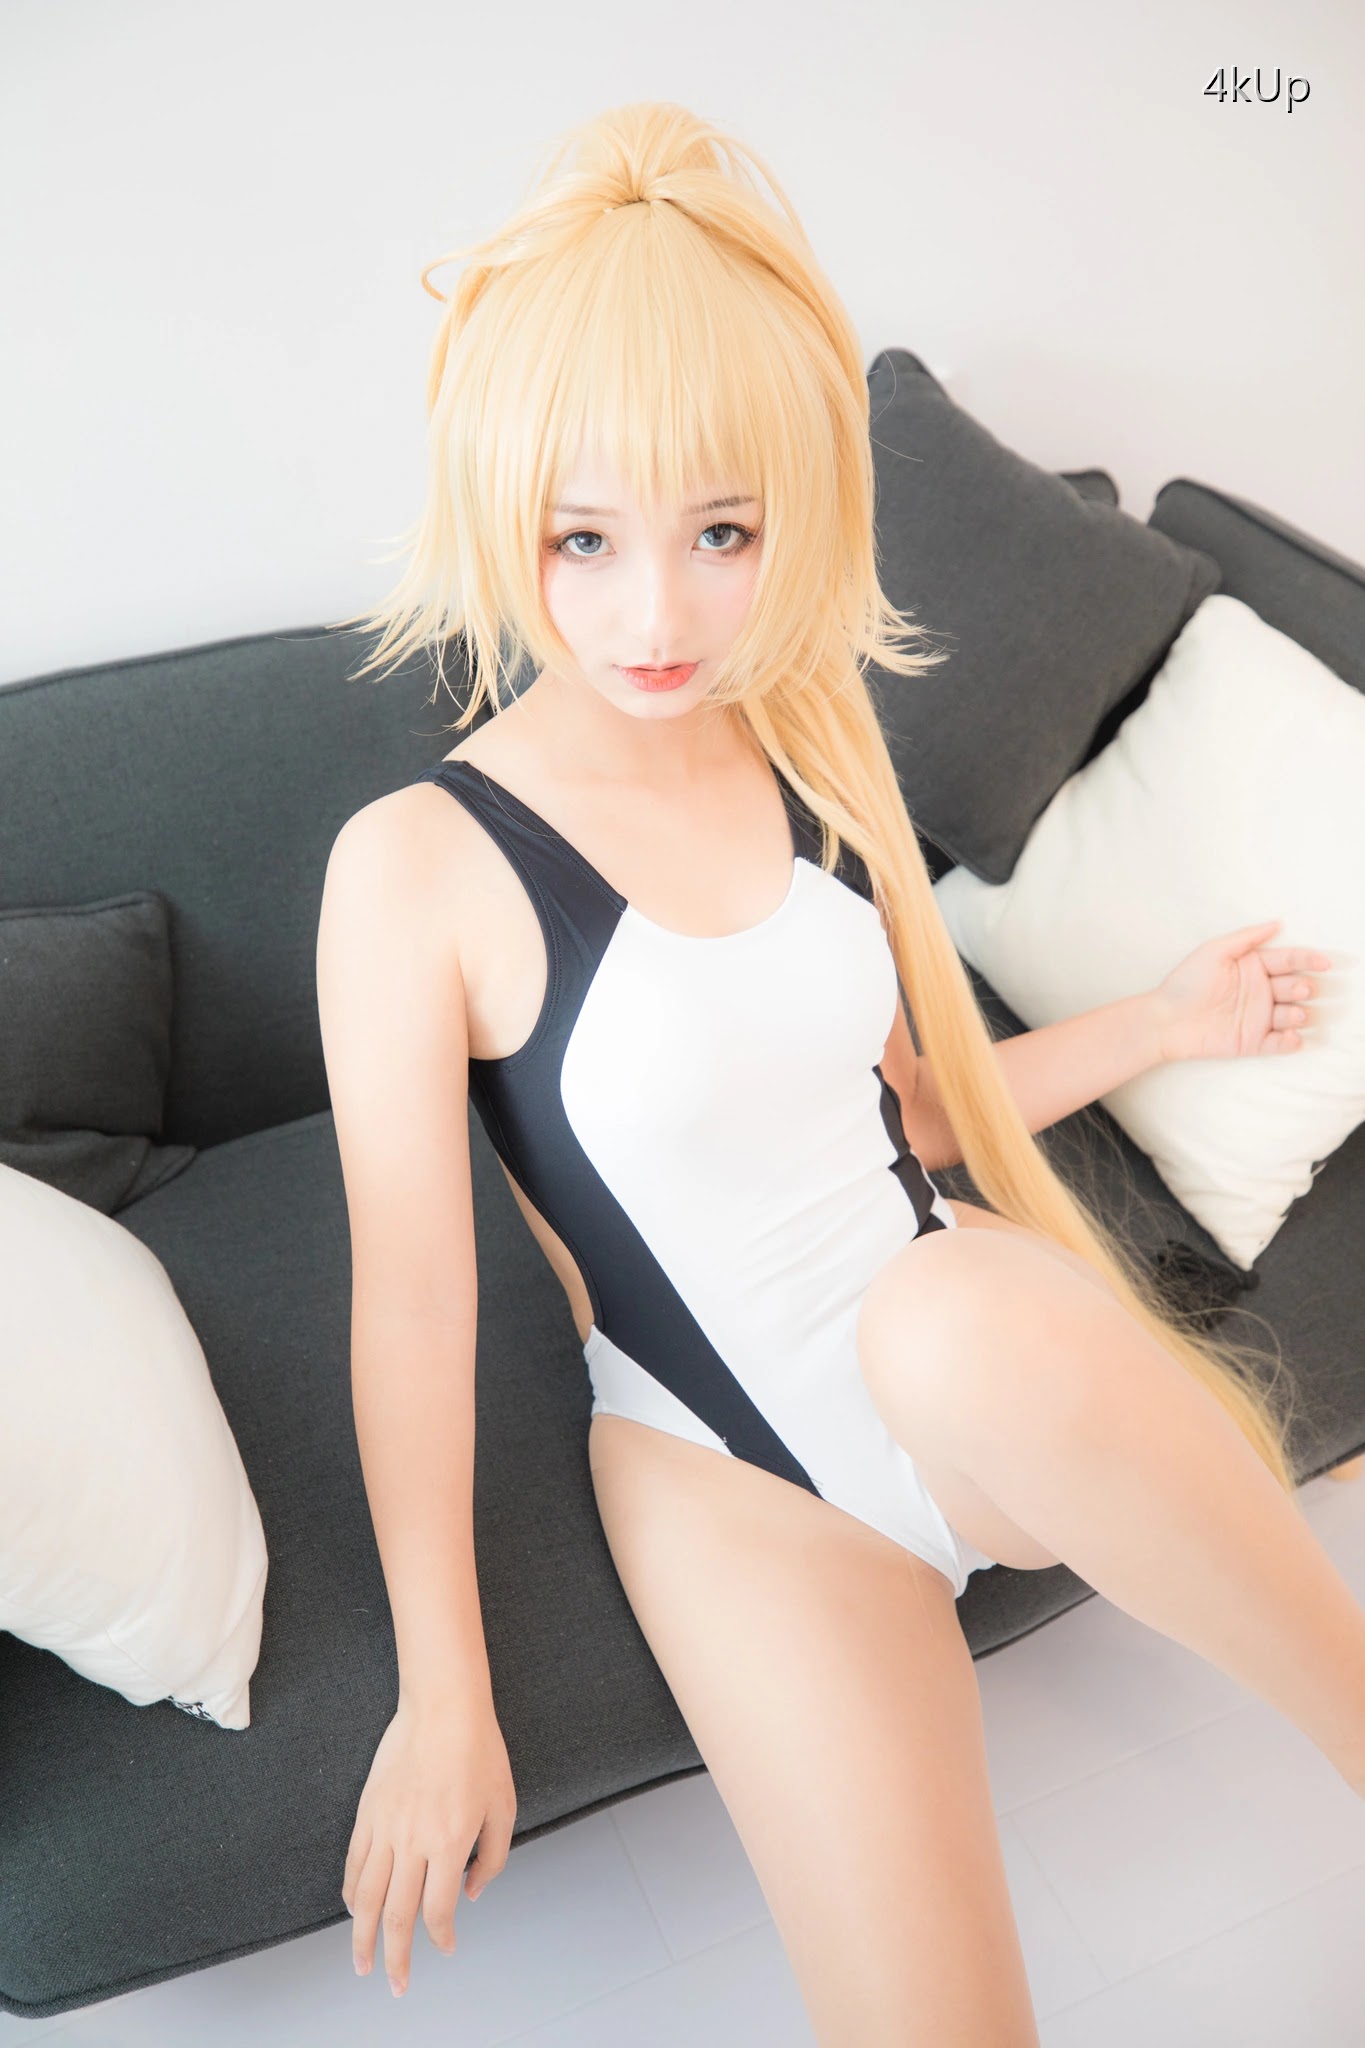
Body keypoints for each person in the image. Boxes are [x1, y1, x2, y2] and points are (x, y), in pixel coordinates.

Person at [315, 100, 1354, 2043]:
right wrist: (440, 1692)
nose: (655, 616)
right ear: (498, 512)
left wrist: (1162, 1024)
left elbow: (913, 1111)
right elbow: (415, 1304)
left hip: (965, 1361)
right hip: (733, 1478)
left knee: (949, 1303)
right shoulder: (415, 870)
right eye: (583, 539)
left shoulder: (802, 743)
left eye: (719, 535)